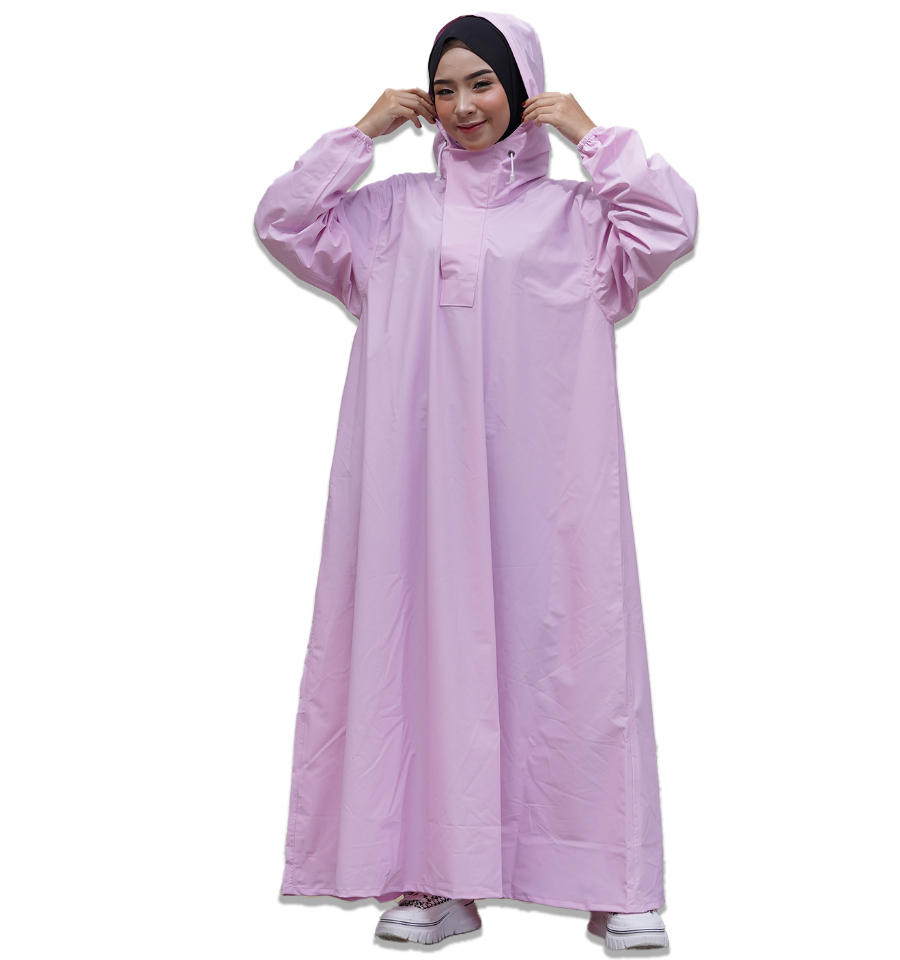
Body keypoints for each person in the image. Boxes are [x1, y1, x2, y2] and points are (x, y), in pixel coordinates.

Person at [254, 10, 697, 951]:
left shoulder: (580, 219)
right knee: (420, 659)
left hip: (550, 488)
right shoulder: (388, 215)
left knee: (572, 658)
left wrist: (592, 136)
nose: (462, 106)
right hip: (416, 490)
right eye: (444, 88)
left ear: (521, 87)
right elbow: (282, 221)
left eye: (483, 83)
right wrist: (360, 135)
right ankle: (433, 877)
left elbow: (670, 224)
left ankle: (614, 881)